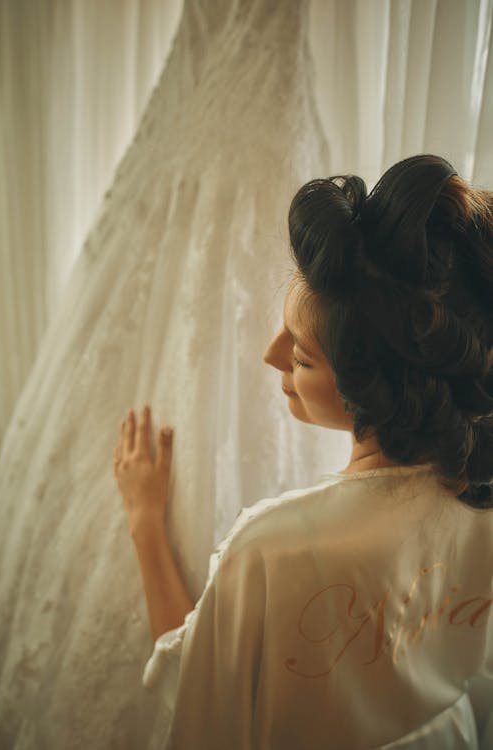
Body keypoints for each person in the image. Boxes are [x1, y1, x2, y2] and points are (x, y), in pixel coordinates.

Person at [113, 154, 493, 749]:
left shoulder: (273, 547)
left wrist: (143, 522)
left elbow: (198, 699)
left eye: (299, 355)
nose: (269, 355)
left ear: (367, 383)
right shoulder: (481, 503)